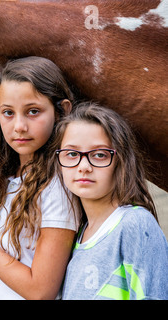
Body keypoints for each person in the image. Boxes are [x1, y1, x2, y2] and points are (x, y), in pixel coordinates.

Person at [0, 57, 80, 300]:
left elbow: (40, 291)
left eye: (33, 111)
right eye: (8, 112)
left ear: (62, 110)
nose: (19, 126)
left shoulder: (58, 187)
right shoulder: (11, 179)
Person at [51, 102, 168, 300]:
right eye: (72, 154)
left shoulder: (135, 224)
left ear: (121, 161)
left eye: (99, 155)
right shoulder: (77, 234)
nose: (84, 166)